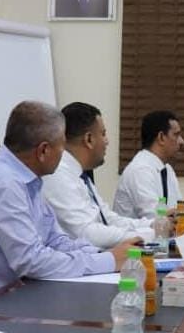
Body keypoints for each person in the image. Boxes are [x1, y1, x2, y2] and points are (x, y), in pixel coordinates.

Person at [0, 101, 134, 303]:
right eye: (62, 146)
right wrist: (109, 261)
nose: (64, 154)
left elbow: (55, 240)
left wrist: (106, 253)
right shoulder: (3, 184)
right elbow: (31, 261)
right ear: (43, 151)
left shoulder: (27, 178)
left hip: (15, 296)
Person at [43, 103, 154, 248]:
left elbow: (107, 219)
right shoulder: (58, 175)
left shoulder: (80, 175)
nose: (107, 141)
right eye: (103, 134)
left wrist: (152, 225)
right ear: (89, 139)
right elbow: (86, 234)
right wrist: (148, 235)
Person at [114, 110, 184, 224]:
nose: (182, 141)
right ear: (161, 137)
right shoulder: (140, 171)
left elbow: (176, 210)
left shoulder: (166, 169)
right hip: (138, 235)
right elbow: (158, 220)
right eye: (176, 135)